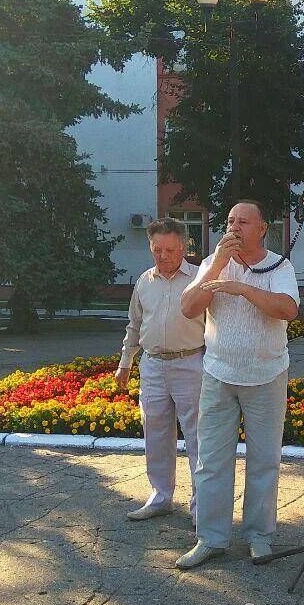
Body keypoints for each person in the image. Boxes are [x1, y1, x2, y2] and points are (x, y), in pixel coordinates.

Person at [174, 200, 300, 569]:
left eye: (243, 221)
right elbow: (188, 307)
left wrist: (243, 288)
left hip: (267, 376)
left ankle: (259, 536)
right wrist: (215, 268)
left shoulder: (280, 265)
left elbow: (288, 309)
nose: (234, 227)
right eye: (230, 221)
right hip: (218, 375)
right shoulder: (212, 264)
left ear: (262, 228)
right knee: (211, 461)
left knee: (264, 461)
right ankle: (210, 537)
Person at [116, 218, 206, 523]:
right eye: (157, 249)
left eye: (169, 249)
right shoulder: (144, 281)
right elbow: (134, 325)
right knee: (154, 434)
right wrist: (125, 363)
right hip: (152, 365)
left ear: (182, 246)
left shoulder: (199, 278)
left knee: (196, 437)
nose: (163, 255)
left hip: (191, 363)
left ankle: (200, 506)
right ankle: (160, 497)